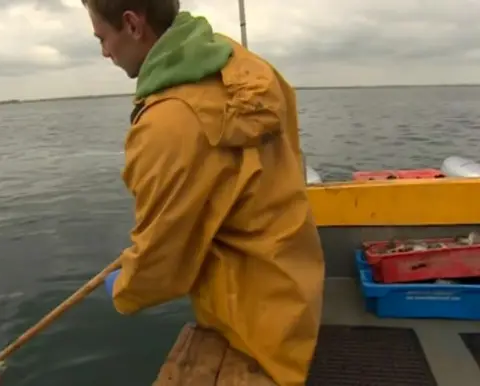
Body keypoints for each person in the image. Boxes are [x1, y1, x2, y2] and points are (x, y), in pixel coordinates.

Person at [81, 1, 325, 385]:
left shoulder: (167, 124)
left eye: (102, 38)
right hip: (294, 296)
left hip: (247, 328)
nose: (104, 52)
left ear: (131, 24)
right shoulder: (241, 62)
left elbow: (161, 265)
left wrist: (125, 287)